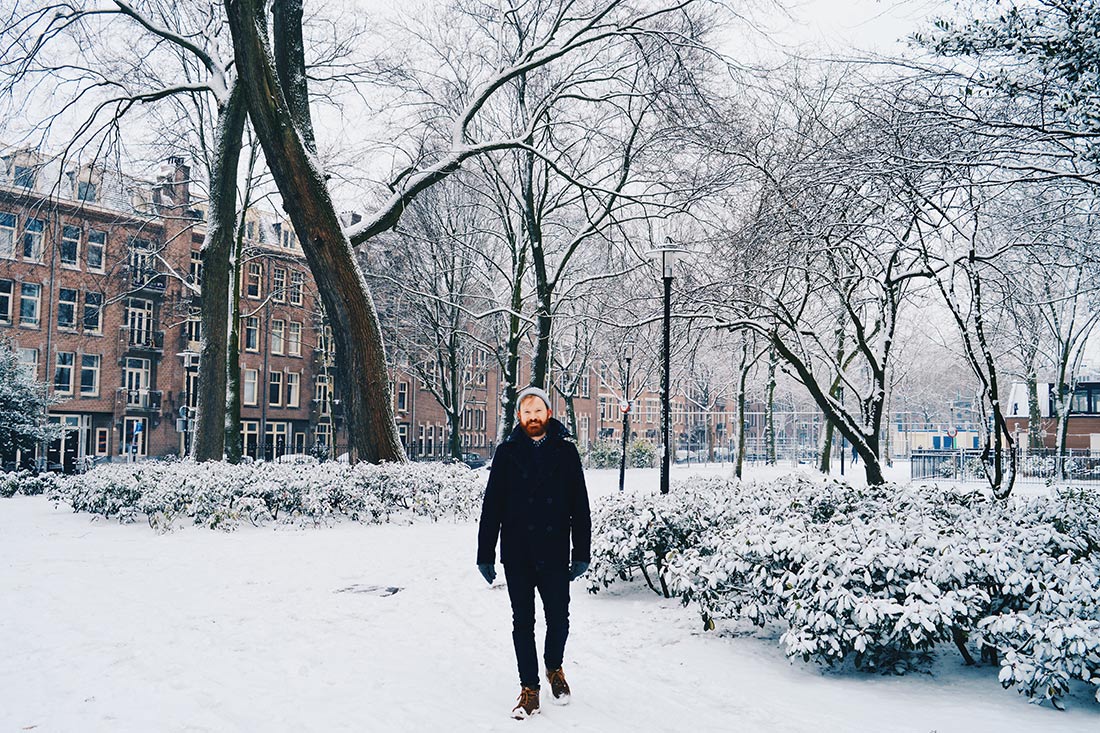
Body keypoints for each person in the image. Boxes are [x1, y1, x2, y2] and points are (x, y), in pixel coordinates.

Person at [476, 385, 592, 720]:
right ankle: (529, 689)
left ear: (548, 414)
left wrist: (581, 551)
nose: (532, 418)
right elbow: (492, 506)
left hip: (555, 551)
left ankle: (554, 667)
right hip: (518, 553)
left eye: (538, 411)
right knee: (522, 622)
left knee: (559, 619)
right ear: (519, 417)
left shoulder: (567, 453)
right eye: (526, 413)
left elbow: (579, 507)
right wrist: (485, 553)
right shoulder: (506, 452)